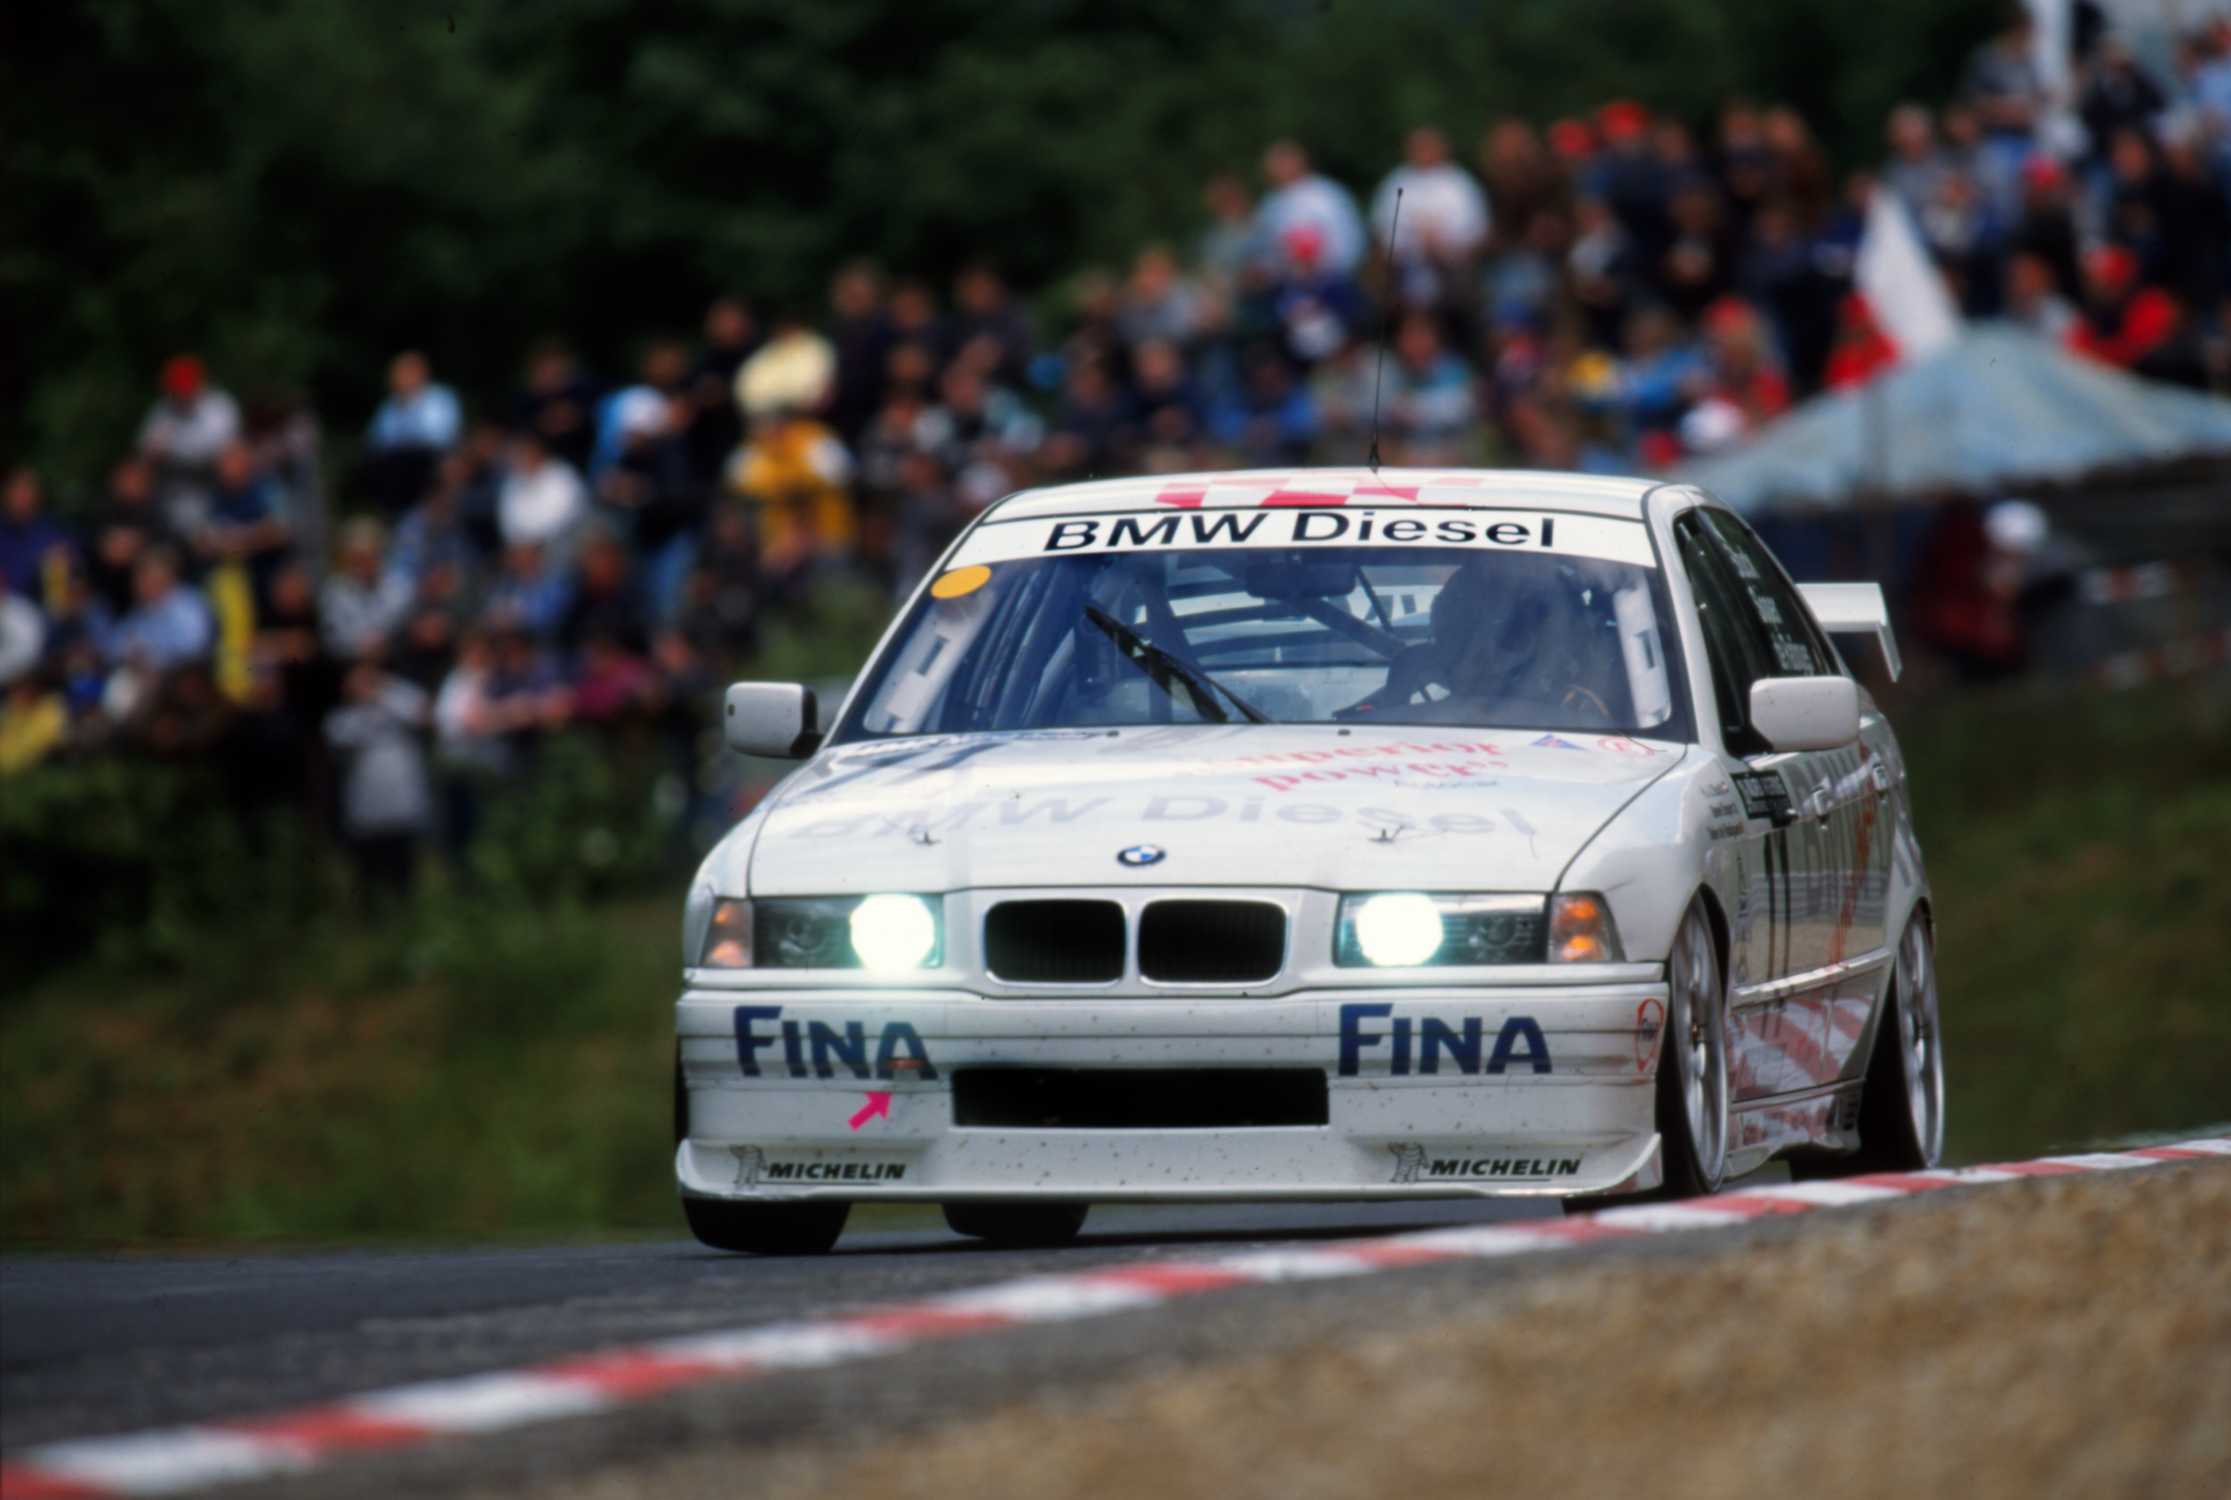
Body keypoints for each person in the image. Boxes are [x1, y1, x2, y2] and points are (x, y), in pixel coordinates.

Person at [324, 661, 432, 898]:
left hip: (402, 810)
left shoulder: (396, 703)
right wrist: (370, 701)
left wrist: (384, 690)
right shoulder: (341, 721)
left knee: (404, 878)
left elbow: (421, 713)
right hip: (367, 815)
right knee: (368, 879)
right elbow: (342, 740)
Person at [1371, 126, 1491, 308]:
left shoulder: (1460, 183)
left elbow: (1477, 229)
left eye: (1429, 147)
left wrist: (1445, 246)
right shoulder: (1395, 182)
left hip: (1451, 265)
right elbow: (1383, 228)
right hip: (1404, 264)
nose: (1424, 152)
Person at [364, 350, 463, 513]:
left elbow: (441, 438)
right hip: (399, 467)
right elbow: (377, 442)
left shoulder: (440, 399)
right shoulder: (388, 407)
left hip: (431, 462)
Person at [1254, 140, 1366, 280]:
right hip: (1285, 282)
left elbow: (1351, 241)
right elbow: (1264, 251)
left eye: (1284, 160)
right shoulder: (1269, 205)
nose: (1280, 168)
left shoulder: (1328, 194)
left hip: (1332, 278)